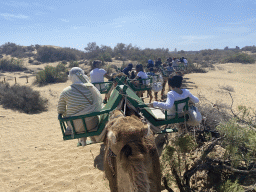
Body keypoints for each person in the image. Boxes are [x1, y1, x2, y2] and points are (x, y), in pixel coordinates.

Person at [58, 67, 105, 146]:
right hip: (92, 124)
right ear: (82, 75)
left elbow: (60, 110)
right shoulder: (90, 88)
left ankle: (82, 139)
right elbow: (96, 104)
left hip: (74, 127)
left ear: (70, 77)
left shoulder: (65, 91)